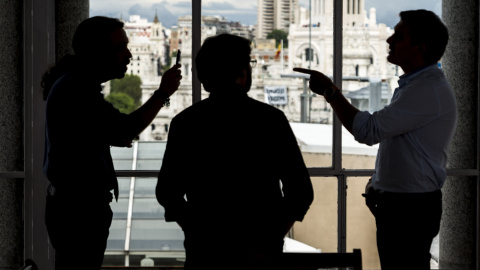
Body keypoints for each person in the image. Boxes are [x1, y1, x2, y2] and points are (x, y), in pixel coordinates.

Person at [294, 9, 457, 270]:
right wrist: (379, 186)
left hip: (409, 211)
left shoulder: (426, 90)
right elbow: (403, 147)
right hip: (405, 206)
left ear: (419, 48)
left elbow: (368, 130)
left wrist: (330, 91)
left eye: (399, 36)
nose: (389, 40)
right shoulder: (418, 87)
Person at [156, 33, 314, 270]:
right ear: (242, 73)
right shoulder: (271, 120)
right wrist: (271, 236)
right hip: (262, 254)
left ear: (203, 78)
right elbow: (301, 192)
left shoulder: (185, 123)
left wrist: (196, 229)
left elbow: (167, 192)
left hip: (206, 254)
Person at [41, 16, 182, 270]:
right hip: (80, 212)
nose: (128, 55)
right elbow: (126, 128)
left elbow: (104, 131)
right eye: (120, 47)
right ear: (97, 51)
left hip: (72, 207)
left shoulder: (74, 85)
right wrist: (163, 93)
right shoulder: (79, 91)